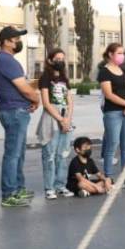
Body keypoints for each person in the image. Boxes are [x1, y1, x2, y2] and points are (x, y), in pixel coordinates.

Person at [0, 26, 39, 207]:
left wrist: (30, 101)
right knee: (13, 154)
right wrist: (36, 99)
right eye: (16, 39)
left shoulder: (6, 60)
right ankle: (9, 193)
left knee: (19, 153)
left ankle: (18, 188)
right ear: (6, 42)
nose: (18, 42)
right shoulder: (7, 61)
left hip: (16, 110)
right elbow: (24, 87)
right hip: (14, 112)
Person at [97, 42, 125, 191]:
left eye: (123, 53)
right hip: (113, 113)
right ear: (110, 54)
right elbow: (109, 94)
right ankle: (108, 177)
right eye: (119, 53)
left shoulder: (124, 70)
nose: (122, 56)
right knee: (112, 145)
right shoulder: (104, 72)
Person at [37, 48, 76, 199]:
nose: (60, 61)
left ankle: (60, 185)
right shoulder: (45, 78)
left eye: (62, 58)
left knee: (63, 154)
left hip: (66, 117)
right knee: (49, 155)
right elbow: (46, 103)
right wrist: (60, 119)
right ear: (50, 60)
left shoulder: (65, 79)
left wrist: (67, 119)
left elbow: (70, 100)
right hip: (51, 118)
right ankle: (49, 188)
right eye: (57, 58)